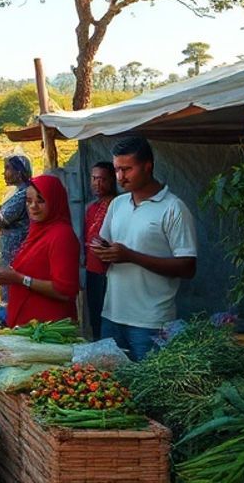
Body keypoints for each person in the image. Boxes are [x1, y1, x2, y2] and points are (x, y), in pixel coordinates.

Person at [91, 137, 197, 361]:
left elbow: (188, 267)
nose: (120, 177)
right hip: (112, 315)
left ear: (148, 166)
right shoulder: (117, 204)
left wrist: (130, 256)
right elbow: (105, 244)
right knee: (108, 389)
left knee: (147, 391)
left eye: (127, 169)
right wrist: (101, 250)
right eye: (117, 169)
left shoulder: (173, 208)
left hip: (150, 322)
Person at [0, 176, 80, 327]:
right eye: (28, 201)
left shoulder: (62, 236)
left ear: (54, 201)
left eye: (40, 200)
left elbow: (64, 292)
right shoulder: (38, 230)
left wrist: (20, 279)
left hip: (47, 331)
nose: (33, 206)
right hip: (28, 326)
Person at [0, 154, 33, 303]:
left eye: (7, 168)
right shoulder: (17, 192)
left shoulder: (23, 194)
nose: (4, 173)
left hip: (15, 253)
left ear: (19, 172)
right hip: (9, 252)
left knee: (12, 291)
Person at [83, 161, 117, 340]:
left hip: (111, 272)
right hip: (92, 269)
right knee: (95, 316)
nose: (97, 183)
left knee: (109, 319)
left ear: (113, 180)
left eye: (103, 179)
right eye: (94, 178)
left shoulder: (119, 206)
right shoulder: (91, 208)